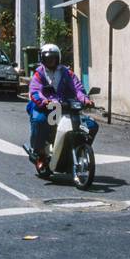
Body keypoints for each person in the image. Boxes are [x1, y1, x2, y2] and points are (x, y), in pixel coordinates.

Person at [27, 43, 97, 174]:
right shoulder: (39, 74)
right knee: (40, 121)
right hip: (46, 108)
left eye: (53, 58)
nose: (50, 61)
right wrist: (45, 101)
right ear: (42, 58)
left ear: (58, 58)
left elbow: (78, 89)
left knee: (92, 126)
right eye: (47, 58)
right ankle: (39, 152)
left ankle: (79, 149)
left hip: (66, 107)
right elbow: (35, 92)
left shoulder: (67, 72)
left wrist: (85, 100)